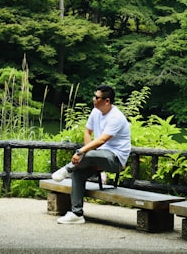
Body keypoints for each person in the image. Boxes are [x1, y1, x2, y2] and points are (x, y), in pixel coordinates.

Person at [51, 85, 131, 225]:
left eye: (97, 97)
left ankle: (67, 169)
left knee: (84, 161)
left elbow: (102, 140)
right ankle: (77, 214)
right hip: (97, 155)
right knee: (78, 173)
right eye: (94, 96)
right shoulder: (95, 112)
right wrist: (88, 156)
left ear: (106, 101)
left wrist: (81, 152)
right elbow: (88, 131)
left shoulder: (116, 117)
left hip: (115, 159)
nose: (94, 99)